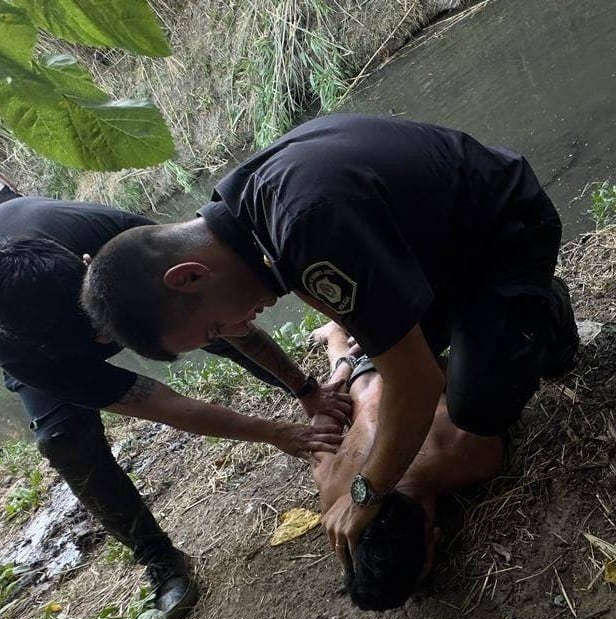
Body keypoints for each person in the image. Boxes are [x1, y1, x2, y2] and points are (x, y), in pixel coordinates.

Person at [80, 113, 579, 567]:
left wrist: (367, 491)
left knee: (479, 409)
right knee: (387, 351)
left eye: (215, 328)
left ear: (188, 277)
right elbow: (331, 293)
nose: (237, 331)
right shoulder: (245, 215)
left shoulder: (305, 224)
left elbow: (419, 384)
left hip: (504, 227)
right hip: (430, 246)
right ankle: (485, 324)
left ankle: (541, 307)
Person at [0, 175, 351, 619]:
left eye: (110, 328)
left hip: (87, 268)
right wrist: (278, 433)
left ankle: (299, 386)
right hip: (35, 334)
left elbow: (218, 305)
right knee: (63, 438)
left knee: (206, 321)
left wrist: (306, 391)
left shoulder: (111, 238)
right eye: (100, 336)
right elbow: (155, 402)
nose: (116, 341)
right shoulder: (20, 345)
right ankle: (158, 560)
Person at [309, 321, 503, 610]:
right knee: (343, 367)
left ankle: (339, 334)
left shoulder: (476, 456)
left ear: (434, 538)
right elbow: (320, 428)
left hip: (407, 355)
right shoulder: (334, 494)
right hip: (370, 373)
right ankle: (337, 333)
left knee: (351, 361)